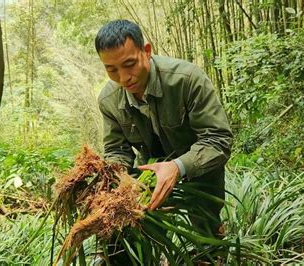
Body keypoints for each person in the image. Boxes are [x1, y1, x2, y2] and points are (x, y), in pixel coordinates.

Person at [95, 19, 232, 236]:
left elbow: (218, 140)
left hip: (199, 166)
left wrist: (178, 167)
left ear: (146, 51)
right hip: (148, 172)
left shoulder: (187, 80)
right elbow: (116, 150)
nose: (123, 78)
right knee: (137, 233)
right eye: (111, 70)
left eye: (130, 65)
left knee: (206, 236)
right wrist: (118, 177)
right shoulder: (108, 99)